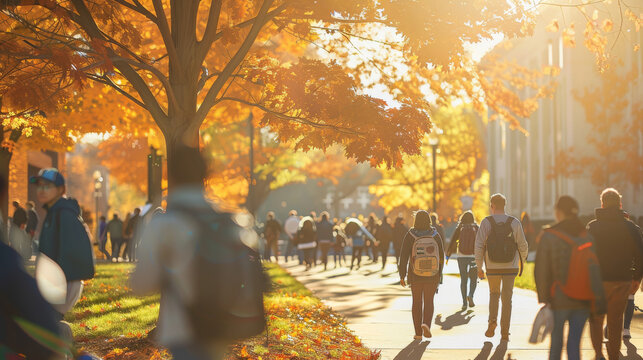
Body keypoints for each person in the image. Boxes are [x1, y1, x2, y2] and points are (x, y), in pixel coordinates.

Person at [131, 145, 231, 360]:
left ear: (171, 176)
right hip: (220, 325)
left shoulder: (164, 224)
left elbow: (142, 283)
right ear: (206, 176)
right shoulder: (225, 220)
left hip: (182, 327)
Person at [535, 196, 606, 360]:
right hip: (583, 298)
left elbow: (541, 271)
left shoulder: (549, 236)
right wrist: (598, 298)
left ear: (559, 212)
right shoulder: (586, 236)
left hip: (558, 298)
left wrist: (544, 298)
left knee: (556, 343)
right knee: (574, 344)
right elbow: (594, 269)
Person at [30, 168, 95, 322]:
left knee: (50, 324)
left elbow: (74, 253)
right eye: (39, 186)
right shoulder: (54, 212)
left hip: (64, 282)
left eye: (47, 186)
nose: (42, 190)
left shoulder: (64, 214)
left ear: (61, 189)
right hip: (56, 282)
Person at [587, 188, 643, 360]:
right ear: (620, 205)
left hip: (597, 281)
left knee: (596, 319)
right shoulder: (631, 227)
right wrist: (637, 278)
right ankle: (613, 357)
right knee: (616, 320)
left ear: (602, 204)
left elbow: (584, 255)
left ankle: (598, 354)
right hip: (622, 280)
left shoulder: (592, 227)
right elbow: (640, 254)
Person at [474, 193, 529, 341]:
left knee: (494, 294)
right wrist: (522, 260)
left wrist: (479, 267)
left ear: (492, 206)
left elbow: (479, 245)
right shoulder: (514, 222)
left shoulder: (486, 222)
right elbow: (523, 245)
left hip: (492, 267)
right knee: (507, 298)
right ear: (504, 206)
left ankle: (492, 321)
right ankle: (505, 331)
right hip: (510, 266)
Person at [398, 210, 445, 340]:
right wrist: (439, 274)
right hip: (432, 274)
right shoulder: (435, 234)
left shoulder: (410, 234)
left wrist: (402, 275)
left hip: (415, 274)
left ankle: (418, 333)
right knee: (429, 301)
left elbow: (403, 256)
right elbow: (441, 256)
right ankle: (426, 325)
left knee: (416, 302)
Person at [446, 210, 479, 310]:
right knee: (473, 278)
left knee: (463, 279)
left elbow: (453, 241)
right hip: (473, 256)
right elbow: (481, 241)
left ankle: (464, 303)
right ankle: (471, 295)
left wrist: (448, 255)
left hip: (461, 256)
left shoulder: (460, 227)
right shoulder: (476, 227)